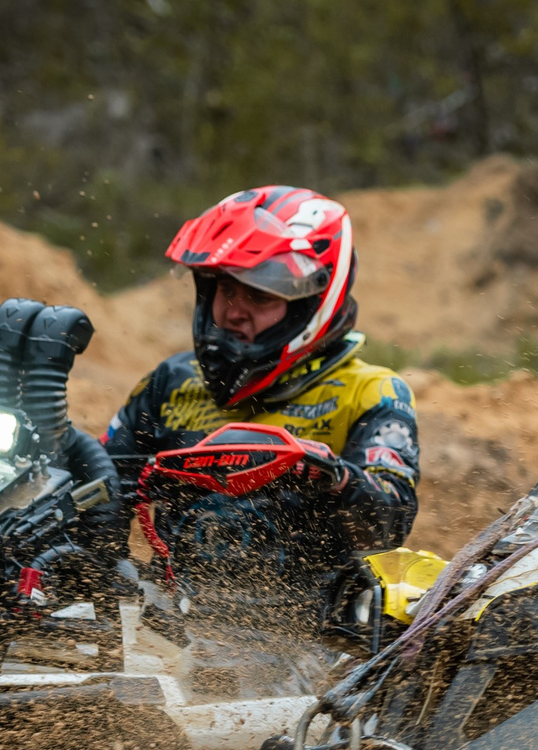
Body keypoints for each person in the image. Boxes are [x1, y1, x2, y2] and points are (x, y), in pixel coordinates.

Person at [105, 185, 419, 589]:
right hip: (169, 621)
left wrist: (333, 476)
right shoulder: (173, 380)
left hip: (313, 638)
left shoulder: (371, 392)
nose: (234, 311)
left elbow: (391, 521)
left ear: (311, 302)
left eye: (258, 295)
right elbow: (101, 483)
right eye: (226, 289)